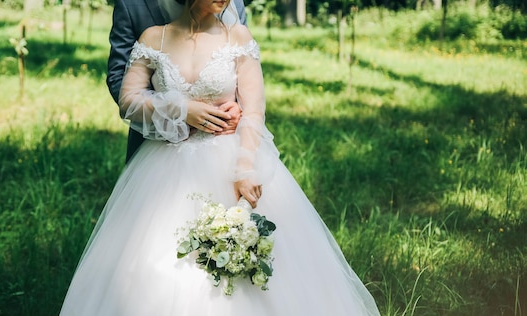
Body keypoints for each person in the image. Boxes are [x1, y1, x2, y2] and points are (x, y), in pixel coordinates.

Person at [60, 0, 381, 314]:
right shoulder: (153, 37)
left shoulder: (237, 36)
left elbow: (254, 109)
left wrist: (244, 167)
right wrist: (182, 109)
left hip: (228, 158)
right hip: (163, 166)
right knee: (154, 261)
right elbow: (127, 97)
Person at [107, 0, 247, 162]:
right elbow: (119, 78)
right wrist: (176, 113)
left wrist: (240, 109)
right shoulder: (131, 5)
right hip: (157, 148)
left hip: (224, 143)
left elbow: (243, 65)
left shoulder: (234, 4)